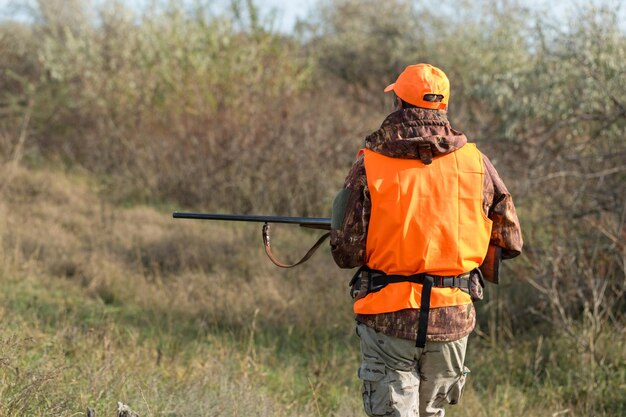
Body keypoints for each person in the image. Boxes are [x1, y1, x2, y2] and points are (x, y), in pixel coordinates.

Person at [330, 63, 523, 417]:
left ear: (399, 105)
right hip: (451, 320)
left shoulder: (370, 162)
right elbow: (510, 239)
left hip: (387, 317)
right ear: (442, 107)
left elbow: (346, 252)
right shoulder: (477, 163)